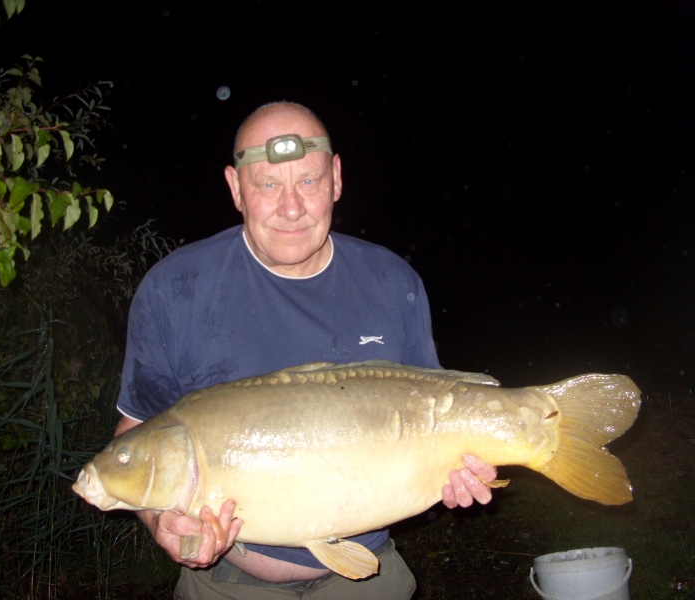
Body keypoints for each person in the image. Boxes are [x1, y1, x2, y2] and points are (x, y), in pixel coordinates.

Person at [114, 101, 497, 599]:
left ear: (336, 178)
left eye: (308, 182)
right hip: (227, 583)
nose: (291, 207)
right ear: (235, 188)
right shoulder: (175, 290)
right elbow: (136, 431)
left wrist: (463, 469)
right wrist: (159, 519)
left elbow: (438, 412)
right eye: (268, 184)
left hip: (365, 575)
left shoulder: (390, 282)